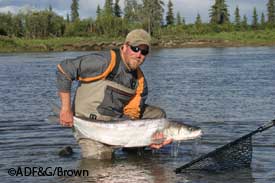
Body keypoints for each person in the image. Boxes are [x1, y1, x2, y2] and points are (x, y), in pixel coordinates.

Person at [56, 29, 172, 159]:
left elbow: (133, 114)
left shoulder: (140, 81)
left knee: (158, 116)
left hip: (115, 123)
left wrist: (150, 138)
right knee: (102, 162)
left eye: (144, 51)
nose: (139, 55)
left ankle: (133, 152)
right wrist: (65, 109)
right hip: (87, 124)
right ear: (125, 46)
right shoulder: (104, 61)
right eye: (135, 48)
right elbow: (64, 69)